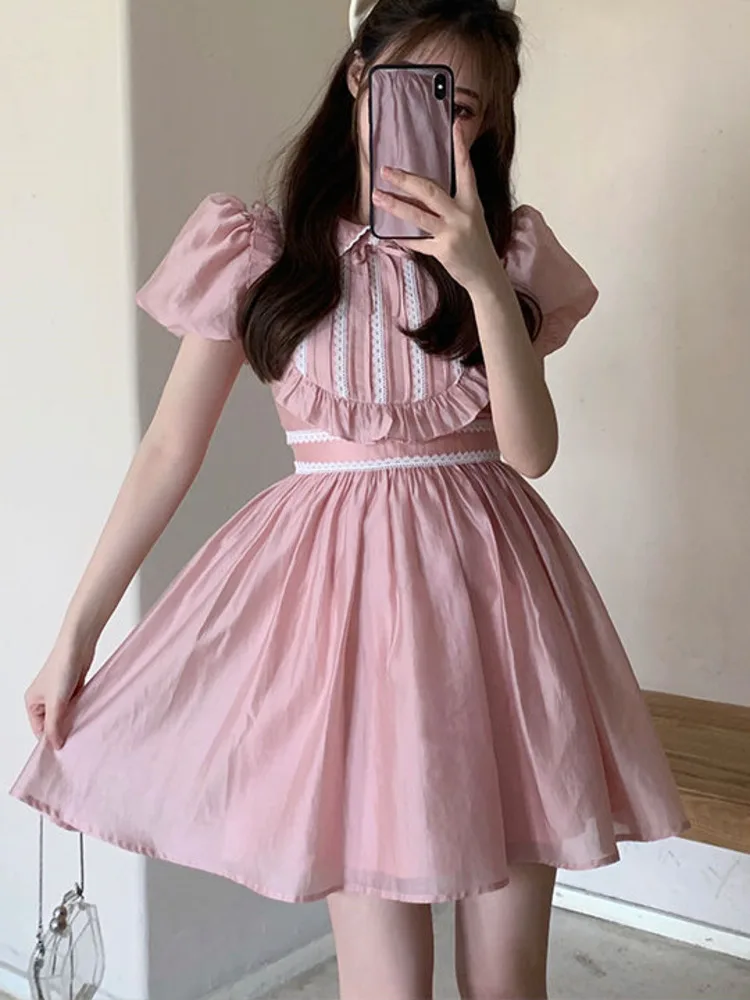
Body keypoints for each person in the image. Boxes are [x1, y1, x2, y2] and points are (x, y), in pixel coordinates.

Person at [12, 1, 688, 997]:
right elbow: (166, 452)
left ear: (490, 127)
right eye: (421, 88)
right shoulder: (261, 252)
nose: (442, 122)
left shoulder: (505, 255)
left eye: (466, 106)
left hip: (498, 621)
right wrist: (77, 633)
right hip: (346, 643)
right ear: (360, 77)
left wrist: (481, 280)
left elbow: (532, 452)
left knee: (507, 983)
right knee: (384, 987)